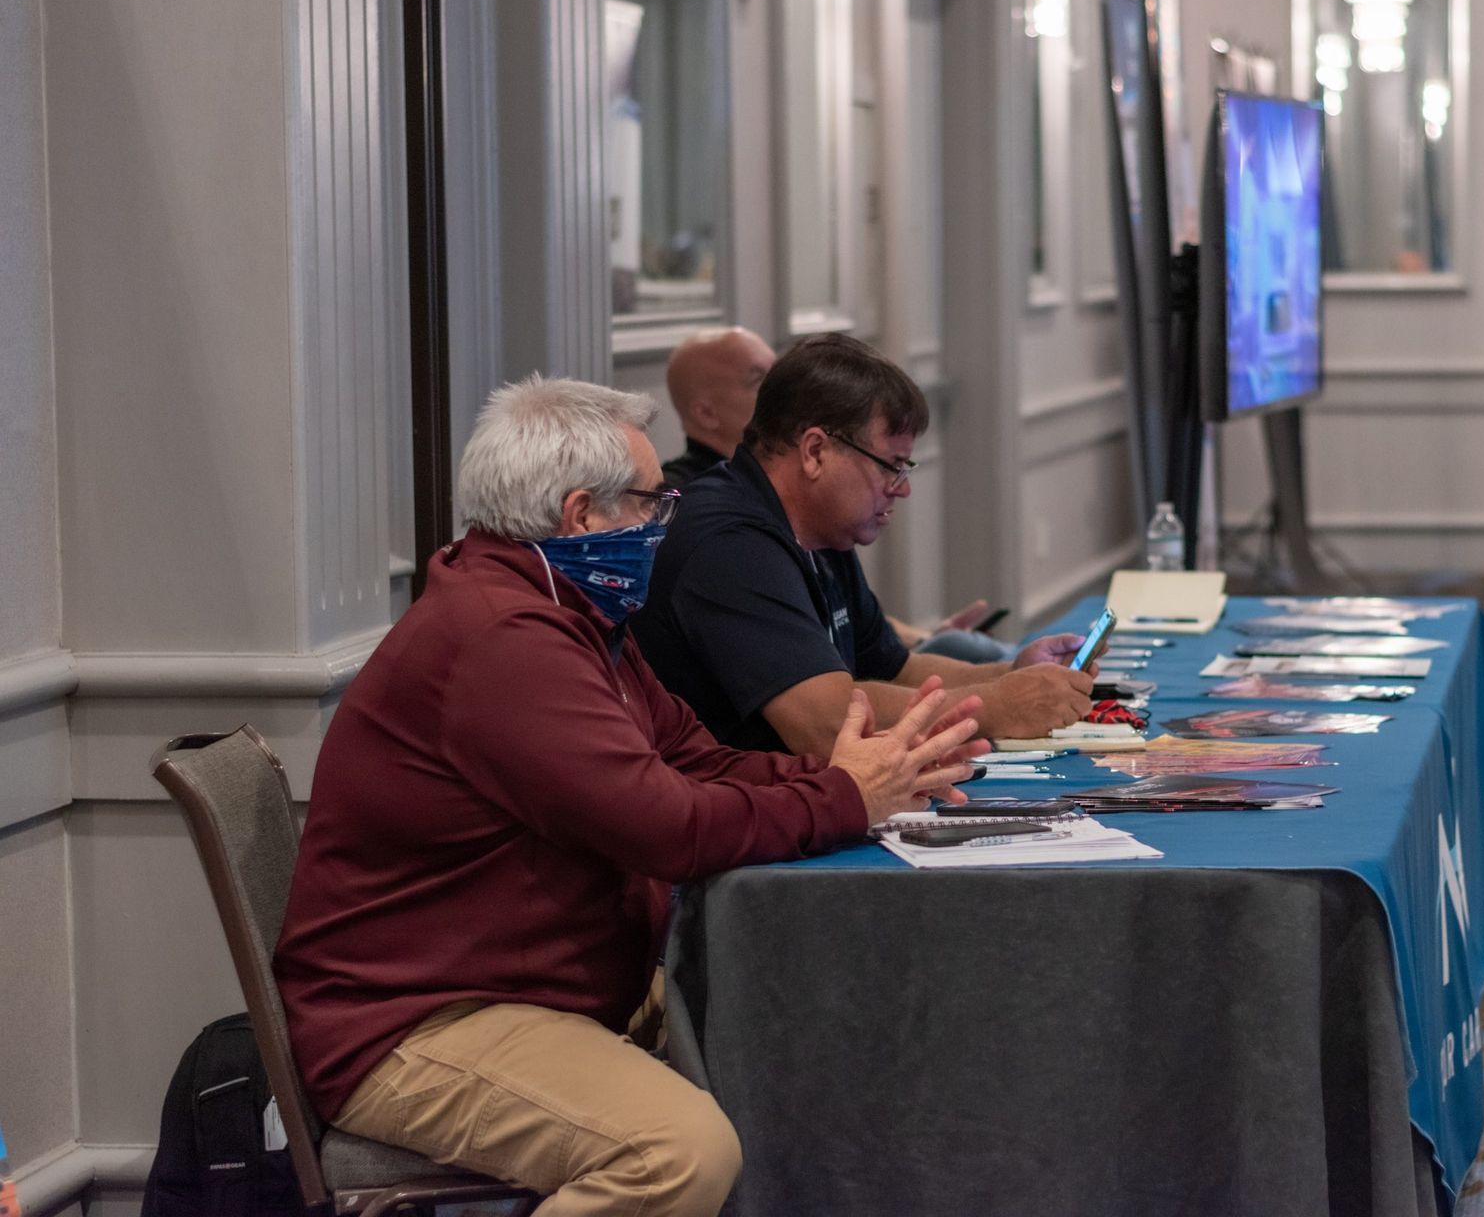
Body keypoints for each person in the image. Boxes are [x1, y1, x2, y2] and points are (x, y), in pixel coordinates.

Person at [274, 377, 985, 1217]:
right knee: (677, 1154)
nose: (664, 523)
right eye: (653, 503)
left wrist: (866, 779)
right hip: (419, 1024)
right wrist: (842, 796)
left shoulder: (566, 611)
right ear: (582, 515)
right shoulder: (504, 638)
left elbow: (695, 761)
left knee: (800, 1016)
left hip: (539, 983)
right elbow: (668, 829)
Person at [632, 332, 1097, 756]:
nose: (902, 488)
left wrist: (1013, 675)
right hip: (737, 810)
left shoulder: (819, 529)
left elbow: (895, 670)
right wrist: (997, 705)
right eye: (890, 466)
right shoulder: (727, 542)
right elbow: (827, 723)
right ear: (815, 452)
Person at [661, 327, 1014, 664]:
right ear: (705, 412)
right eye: (761, 381)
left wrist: (920, 638)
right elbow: (818, 694)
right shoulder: (702, 513)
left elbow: (869, 642)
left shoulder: (818, 507)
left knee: (972, 649)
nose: (783, 392)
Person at [660, 326, 774, 487]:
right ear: (706, 414)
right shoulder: (682, 495)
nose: (784, 388)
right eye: (760, 380)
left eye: (778, 373)